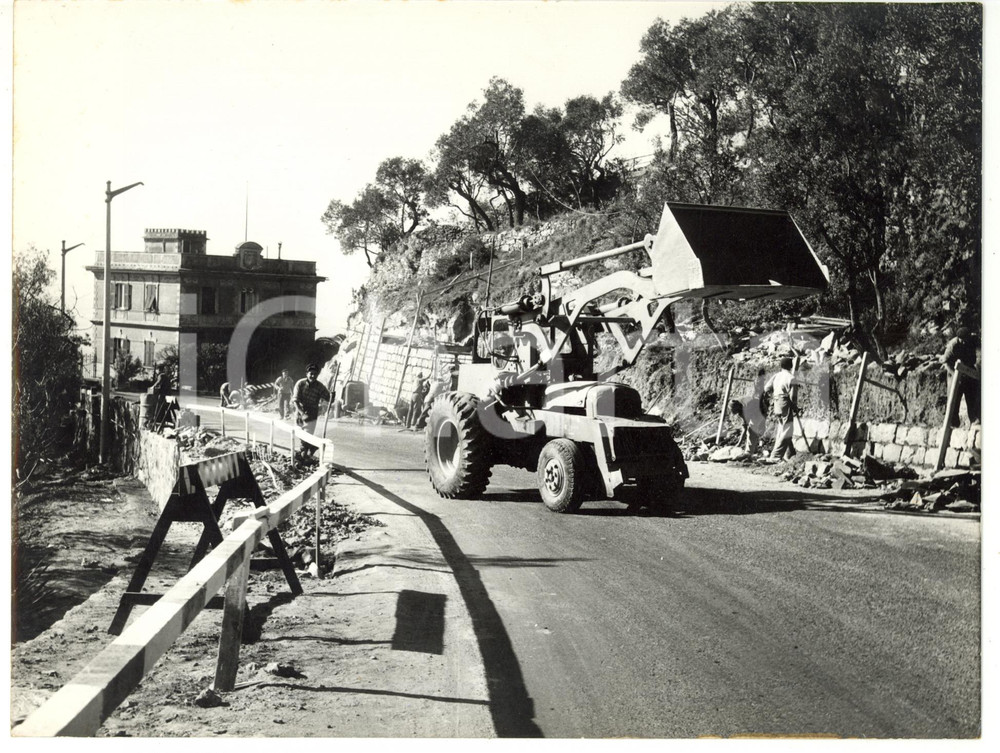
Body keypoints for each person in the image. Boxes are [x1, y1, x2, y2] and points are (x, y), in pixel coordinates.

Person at [942, 327, 980, 426]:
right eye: (961, 340)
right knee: (954, 400)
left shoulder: (972, 340)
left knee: (972, 397)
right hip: (954, 373)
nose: (963, 342)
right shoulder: (953, 345)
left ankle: (974, 420)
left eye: (965, 339)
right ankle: (953, 424)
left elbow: (979, 354)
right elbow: (945, 362)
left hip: (969, 372)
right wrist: (955, 375)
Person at [293, 363, 331, 461]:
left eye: (315, 374)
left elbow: (328, 398)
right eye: (311, 374)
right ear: (307, 374)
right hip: (300, 411)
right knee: (298, 432)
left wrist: (332, 395)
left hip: (312, 412)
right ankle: (312, 447)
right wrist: (302, 413)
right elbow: (295, 400)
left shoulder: (320, 386)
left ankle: (304, 455)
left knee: (307, 435)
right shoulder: (300, 383)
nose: (313, 376)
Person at [764, 356, 798, 462]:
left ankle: (790, 453)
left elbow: (766, 388)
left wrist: (774, 395)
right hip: (784, 402)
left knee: (781, 428)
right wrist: (794, 406)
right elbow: (793, 397)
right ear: (791, 366)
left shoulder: (777, 375)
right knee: (788, 429)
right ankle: (776, 456)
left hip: (776, 402)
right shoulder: (791, 378)